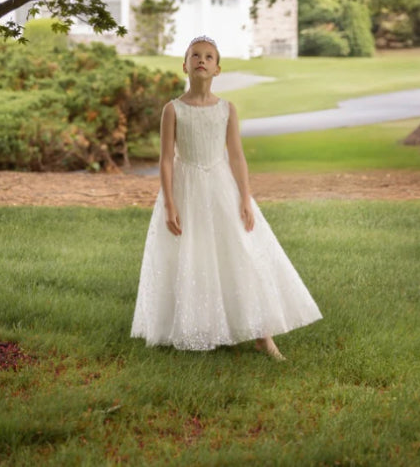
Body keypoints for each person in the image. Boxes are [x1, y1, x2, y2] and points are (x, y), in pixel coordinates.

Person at [131, 35, 322, 359]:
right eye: (195, 56)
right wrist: (169, 203)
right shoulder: (172, 110)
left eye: (208, 56)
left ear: (218, 68)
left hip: (221, 187)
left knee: (243, 253)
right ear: (185, 65)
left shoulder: (226, 109)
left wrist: (245, 198)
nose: (201, 60)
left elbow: (236, 156)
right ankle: (194, 325)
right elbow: (165, 159)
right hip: (186, 188)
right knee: (193, 256)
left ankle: (263, 333)